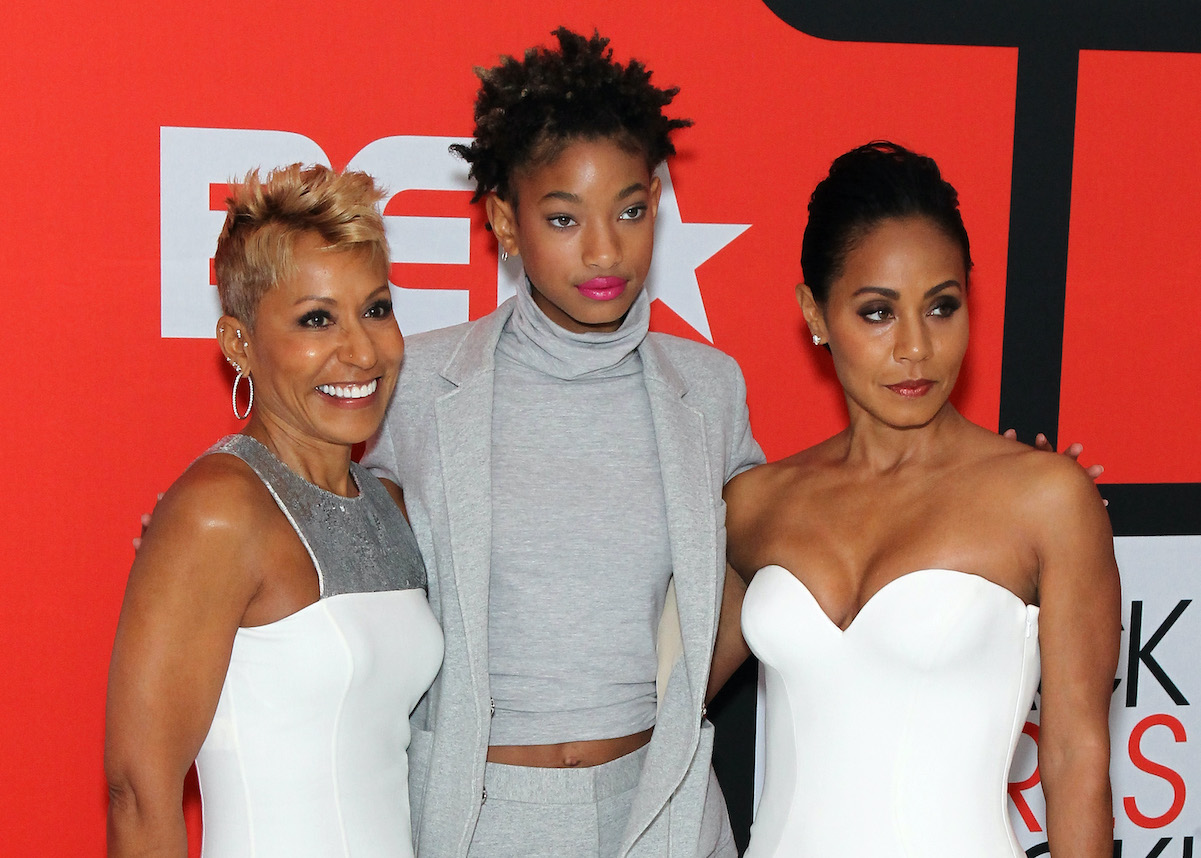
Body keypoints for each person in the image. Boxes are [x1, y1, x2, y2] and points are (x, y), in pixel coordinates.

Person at [363, 27, 762, 858]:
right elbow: (334, 541)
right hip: (479, 813)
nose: (605, 250)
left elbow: (783, 551)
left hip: (660, 805)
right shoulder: (417, 387)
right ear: (505, 221)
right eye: (562, 218)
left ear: (656, 199)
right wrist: (239, 512)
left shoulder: (710, 389)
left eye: (628, 210)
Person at [726, 141, 1121, 857]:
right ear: (814, 314)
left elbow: (1074, 764)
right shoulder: (757, 504)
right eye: (877, 313)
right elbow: (651, 696)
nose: (915, 348)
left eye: (941, 307)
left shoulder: (1044, 499)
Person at [104, 164, 443, 858]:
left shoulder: (386, 503)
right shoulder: (219, 509)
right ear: (238, 345)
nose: (361, 350)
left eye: (375, 309)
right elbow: (140, 793)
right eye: (316, 319)